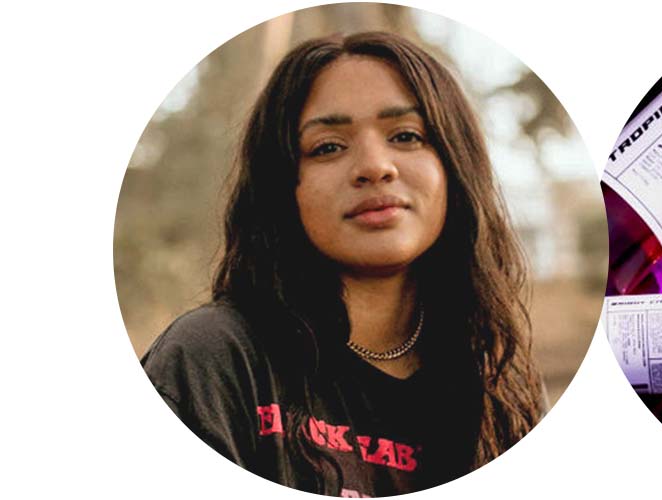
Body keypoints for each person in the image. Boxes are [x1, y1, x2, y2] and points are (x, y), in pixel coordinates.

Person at [140, 31, 546, 497]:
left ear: (455, 168)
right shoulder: (214, 361)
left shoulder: (500, 381)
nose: (375, 166)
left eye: (406, 136)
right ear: (282, 188)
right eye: (328, 147)